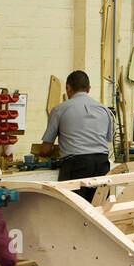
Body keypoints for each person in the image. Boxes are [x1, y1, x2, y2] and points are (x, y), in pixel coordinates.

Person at [43, 70, 113, 202]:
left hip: (76, 166)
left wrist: (52, 152)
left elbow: (45, 149)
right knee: (99, 207)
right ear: (89, 88)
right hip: (102, 164)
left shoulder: (59, 109)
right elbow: (104, 141)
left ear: (68, 88)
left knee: (72, 210)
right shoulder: (104, 109)